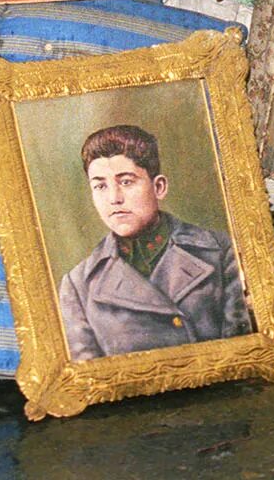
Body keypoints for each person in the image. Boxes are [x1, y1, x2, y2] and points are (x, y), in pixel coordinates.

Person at [57, 124, 251, 361]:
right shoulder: (78, 285)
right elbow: (91, 380)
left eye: (126, 182)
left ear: (159, 187)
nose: (114, 198)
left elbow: (243, 355)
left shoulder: (221, 251)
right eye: (100, 186)